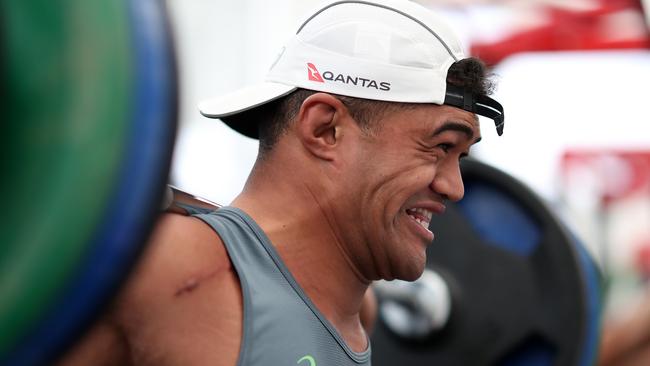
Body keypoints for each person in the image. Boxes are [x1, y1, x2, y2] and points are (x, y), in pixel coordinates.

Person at [58, 0, 504, 365]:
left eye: (460, 158)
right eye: (440, 146)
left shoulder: (358, 314)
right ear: (325, 128)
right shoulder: (179, 266)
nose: (454, 187)